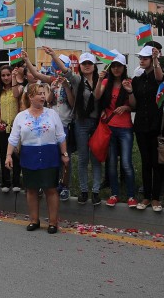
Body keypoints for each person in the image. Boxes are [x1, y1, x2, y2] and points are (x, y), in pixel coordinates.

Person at [6, 83, 69, 234]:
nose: (42, 96)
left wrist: (64, 154)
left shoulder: (52, 114)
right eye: (39, 93)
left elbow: (61, 136)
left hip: (49, 154)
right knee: (32, 190)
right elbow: (13, 138)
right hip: (29, 155)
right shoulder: (21, 116)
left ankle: (53, 222)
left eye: (43, 93)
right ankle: (34, 220)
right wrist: (8, 155)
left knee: (51, 189)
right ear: (30, 96)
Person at [23, 48, 77, 200]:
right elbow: (37, 76)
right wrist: (27, 60)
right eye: (56, 67)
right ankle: (49, 184)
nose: (58, 70)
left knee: (66, 159)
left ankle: (65, 187)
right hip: (50, 126)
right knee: (50, 158)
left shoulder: (72, 81)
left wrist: (66, 86)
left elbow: (73, 104)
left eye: (60, 67)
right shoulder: (52, 81)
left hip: (65, 125)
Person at [94, 54, 137, 208]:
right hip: (109, 127)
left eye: (119, 66)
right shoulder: (106, 82)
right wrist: (99, 79)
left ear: (124, 67)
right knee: (111, 163)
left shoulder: (129, 82)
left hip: (125, 128)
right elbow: (97, 96)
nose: (116, 69)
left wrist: (128, 100)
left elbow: (134, 105)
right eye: (113, 66)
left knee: (126, 163)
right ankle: (114, 194)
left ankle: (132, 196)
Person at [130, 43, 164, 211]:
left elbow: (160, 78)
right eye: (140, 58)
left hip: (156, 124)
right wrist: (129, 92)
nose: (142, 60)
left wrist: (155, 60)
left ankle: (156, 197)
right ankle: (146, 196)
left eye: (145, 58)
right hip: (141, 124)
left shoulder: (159, 75)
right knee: (146, 161)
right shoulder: (137, 79)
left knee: (156, 162)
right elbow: (134, 104)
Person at [71, 53, 102, 205]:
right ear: (80, 66)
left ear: (94, 65)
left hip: (97, 123)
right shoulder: (77, 80)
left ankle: (96, 192)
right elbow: (65, 70)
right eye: (84, 63)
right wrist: (52, 55)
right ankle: (84, 191)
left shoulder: (101, 80)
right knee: (83, 158)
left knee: (96, 158)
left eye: (90, 63)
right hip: (81, 122)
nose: (87, 66)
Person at [0, 65, 22, 193]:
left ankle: (16, 182)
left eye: (8, 74)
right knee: (4, 154)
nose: (6, 77)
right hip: (3, 127)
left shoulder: (18, 88)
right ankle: (6, 182)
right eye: (3, 75)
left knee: (16, 155)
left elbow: (16, 95)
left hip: (16, 127)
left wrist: (15, 78)